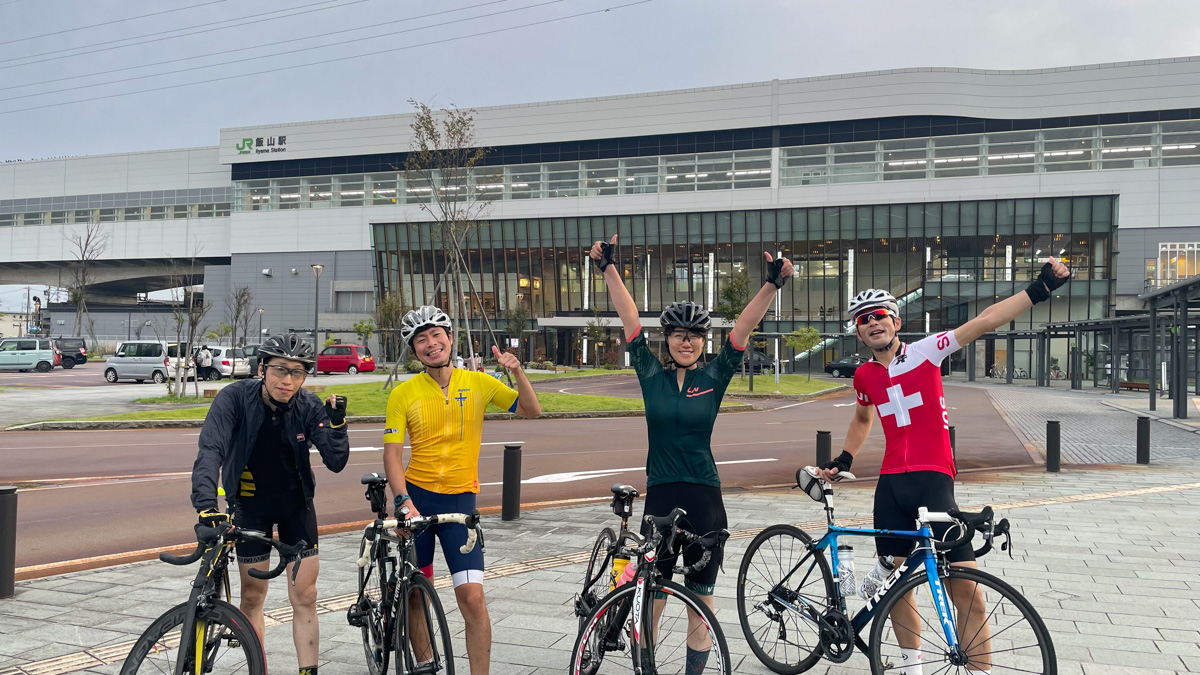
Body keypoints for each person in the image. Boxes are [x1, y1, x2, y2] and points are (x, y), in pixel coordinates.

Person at [818, 258, 1071, 675]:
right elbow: (863, 418)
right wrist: (845, 458)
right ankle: (911, 668)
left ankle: (980, 671)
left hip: (933, 482)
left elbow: (985, 320)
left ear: (895, 321)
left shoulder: (926, 352)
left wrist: (1039, 290)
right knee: (894, 588)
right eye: (863, 320)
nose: (872, 323)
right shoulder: (864, 376)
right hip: (890, 488)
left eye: (879, 315)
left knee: (967, 589)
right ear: (858, 331)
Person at [589, 234, 793, 675]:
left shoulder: (716, 376)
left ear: (703, 342)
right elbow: (629, 321)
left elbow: (742, 330)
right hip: (660, 498)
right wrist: (608, 269)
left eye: (695, 336)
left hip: (704, 498)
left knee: (701, 600)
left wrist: (772, 285)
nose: (687, 342)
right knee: (653, 597)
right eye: (679, 335)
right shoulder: (650, 374)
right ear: (668, 340)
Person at [383, 306, 541, 675]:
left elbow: (531, 410)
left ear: (450, 338)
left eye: (436, 335)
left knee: (472, 597)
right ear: (414, 350)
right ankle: (425, 664)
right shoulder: (403, 394)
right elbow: (392, 454)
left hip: (460, 503)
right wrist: (403, 502)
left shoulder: (479, 383)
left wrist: (516, 371)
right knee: (415, 592)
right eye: (421, 339)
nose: (431, 343)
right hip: (417, 501)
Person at [191, 332, 350, 675]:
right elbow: (211, 451)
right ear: (262, 368)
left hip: (296, 506)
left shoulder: (307, 406)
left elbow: (335, 461)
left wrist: (337, 425)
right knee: (252, 597)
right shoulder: (233, 398)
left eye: (297, 372)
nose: (288, 380)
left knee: (306, 596)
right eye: (280, 370)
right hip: (250, 505)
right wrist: (207, 505)